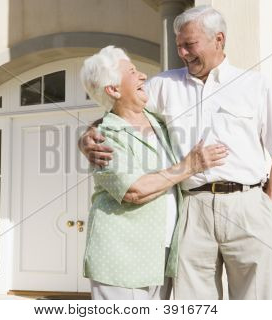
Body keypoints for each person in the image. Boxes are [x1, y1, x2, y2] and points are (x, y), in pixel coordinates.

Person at [79, 6, 272, 300]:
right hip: (192, 208)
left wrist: (267, 207)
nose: (182, 52)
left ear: (218, 40)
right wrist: (85, 137)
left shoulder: (254, 85)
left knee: (255, 301)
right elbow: (120, 111)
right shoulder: (163, 85)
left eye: (189, 44)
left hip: (247, 204)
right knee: (193, 304)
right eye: (179, 45)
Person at [79, 46, 228, 300]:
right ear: (113, 89)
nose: (143, 76)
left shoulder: (158, 122)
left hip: (163, 253)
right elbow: (134, 190)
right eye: (132, 71)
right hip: (121, 257)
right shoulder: (104, 137)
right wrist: (189, 166)